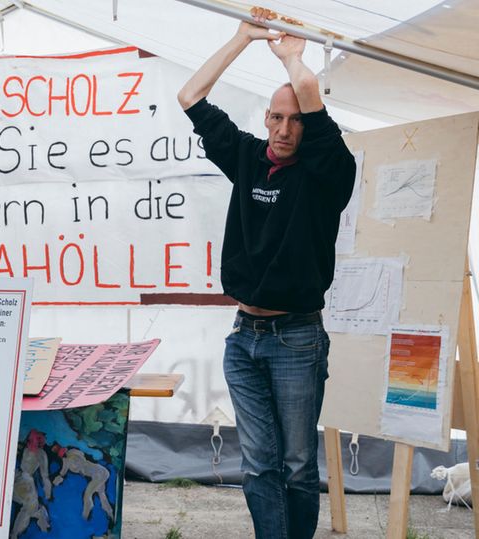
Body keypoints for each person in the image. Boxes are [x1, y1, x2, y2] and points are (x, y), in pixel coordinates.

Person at [177, 7, 356, 538]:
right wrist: (241, 37)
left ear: (312, 123)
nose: (283, 129)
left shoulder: (328, 176)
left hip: (297, 338)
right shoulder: (249, 159)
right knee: (258, 465)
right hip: (244, 338)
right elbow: (190, 98)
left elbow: (312, 107)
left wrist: (293, 59)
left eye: (295, 119)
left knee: (297, 466)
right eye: (275, 117)